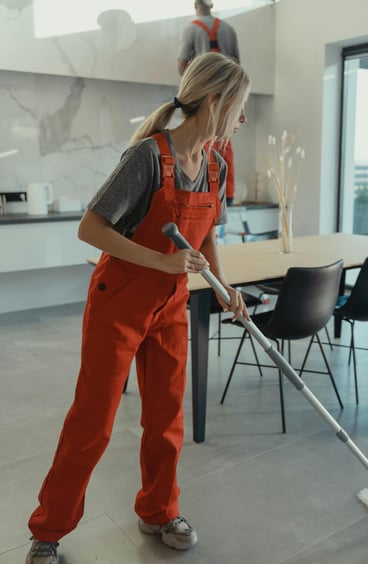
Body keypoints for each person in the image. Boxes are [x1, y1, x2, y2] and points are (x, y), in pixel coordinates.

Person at [25, 52, 250, 564]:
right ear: (214, 101)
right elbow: (91, 228)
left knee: (167, 418)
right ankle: (48, 530)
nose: (242, 120)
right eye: (238, 107)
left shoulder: (214, 166)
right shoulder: (149, 157)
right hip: (120, 301)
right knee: (94, 421)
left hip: (171, 305)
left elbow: (206, 232)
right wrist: (161, 260)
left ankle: (160, 510)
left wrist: (221, 285)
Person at [177, 0, 240, 205]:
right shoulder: (229, 29)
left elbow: (182, 66)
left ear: (196, 6)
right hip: (228, 93)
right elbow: (238, 67)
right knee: (224, 143)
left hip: (204, 93)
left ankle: (204, 193)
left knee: (203, 145)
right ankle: (226, 196)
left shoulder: (191, 29)